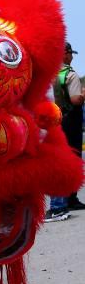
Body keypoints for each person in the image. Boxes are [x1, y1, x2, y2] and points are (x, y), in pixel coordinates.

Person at [45, 42, 84, 222]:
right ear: (65, 54)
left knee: (61, 158)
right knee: (73, 158)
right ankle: (68, 200)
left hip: (55, 120)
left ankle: (64, 200)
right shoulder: (69, 74)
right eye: (70, 53)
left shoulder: (49, 75)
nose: (72, 56)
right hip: (71, 120)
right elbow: (76, 100)